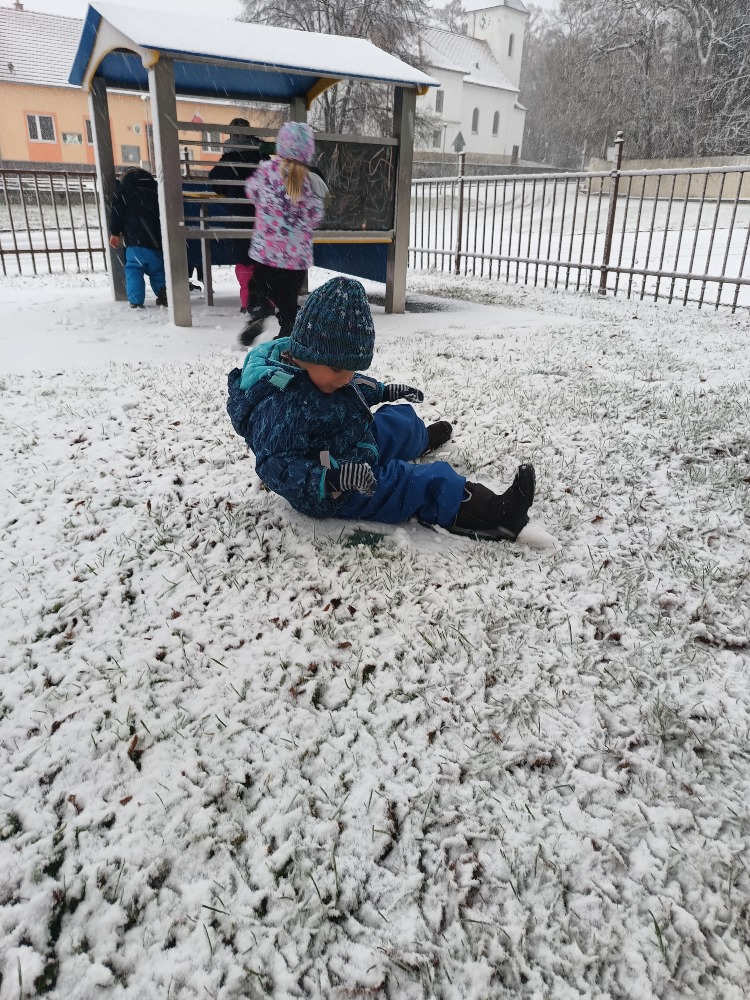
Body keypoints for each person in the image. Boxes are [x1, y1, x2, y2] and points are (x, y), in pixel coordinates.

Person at [226, 277, 536, 541]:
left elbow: (353, 386)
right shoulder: (279, 403)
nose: (346, 378)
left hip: (346, 439)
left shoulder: (323, 369)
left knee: (397, 422)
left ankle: (419, 439)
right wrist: (330, 479)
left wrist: (384, 390)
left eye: (353, 368)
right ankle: (491, 515)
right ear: (307, 352)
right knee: (408, 482)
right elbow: (276, 465)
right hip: (333, 487)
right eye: (339, 369)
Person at [239, 121, 324, 345]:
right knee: (288, 299)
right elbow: (316, 217)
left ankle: (259, 310)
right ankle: (287, 329)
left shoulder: (266, 171)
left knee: (258, 287)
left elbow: (251, 191)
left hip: (267, 252)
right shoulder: (310, 180)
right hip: (295, 259)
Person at [208, 118, 261, 312]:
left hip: (238, 218)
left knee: (244, 264)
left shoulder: (228, 160)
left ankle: (248, 303)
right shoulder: (260, 157)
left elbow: (216, 183)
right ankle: (266, 301)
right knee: (264, 263)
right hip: (263, 220)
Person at [108, 167, 167, 309]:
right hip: (155, 239)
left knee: (133, 269)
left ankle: (136, 301)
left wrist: (115, 232)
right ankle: (163, 292)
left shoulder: (124, 189)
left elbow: (116, 212)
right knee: (158, 269)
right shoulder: (156, 188)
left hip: (134, 240)